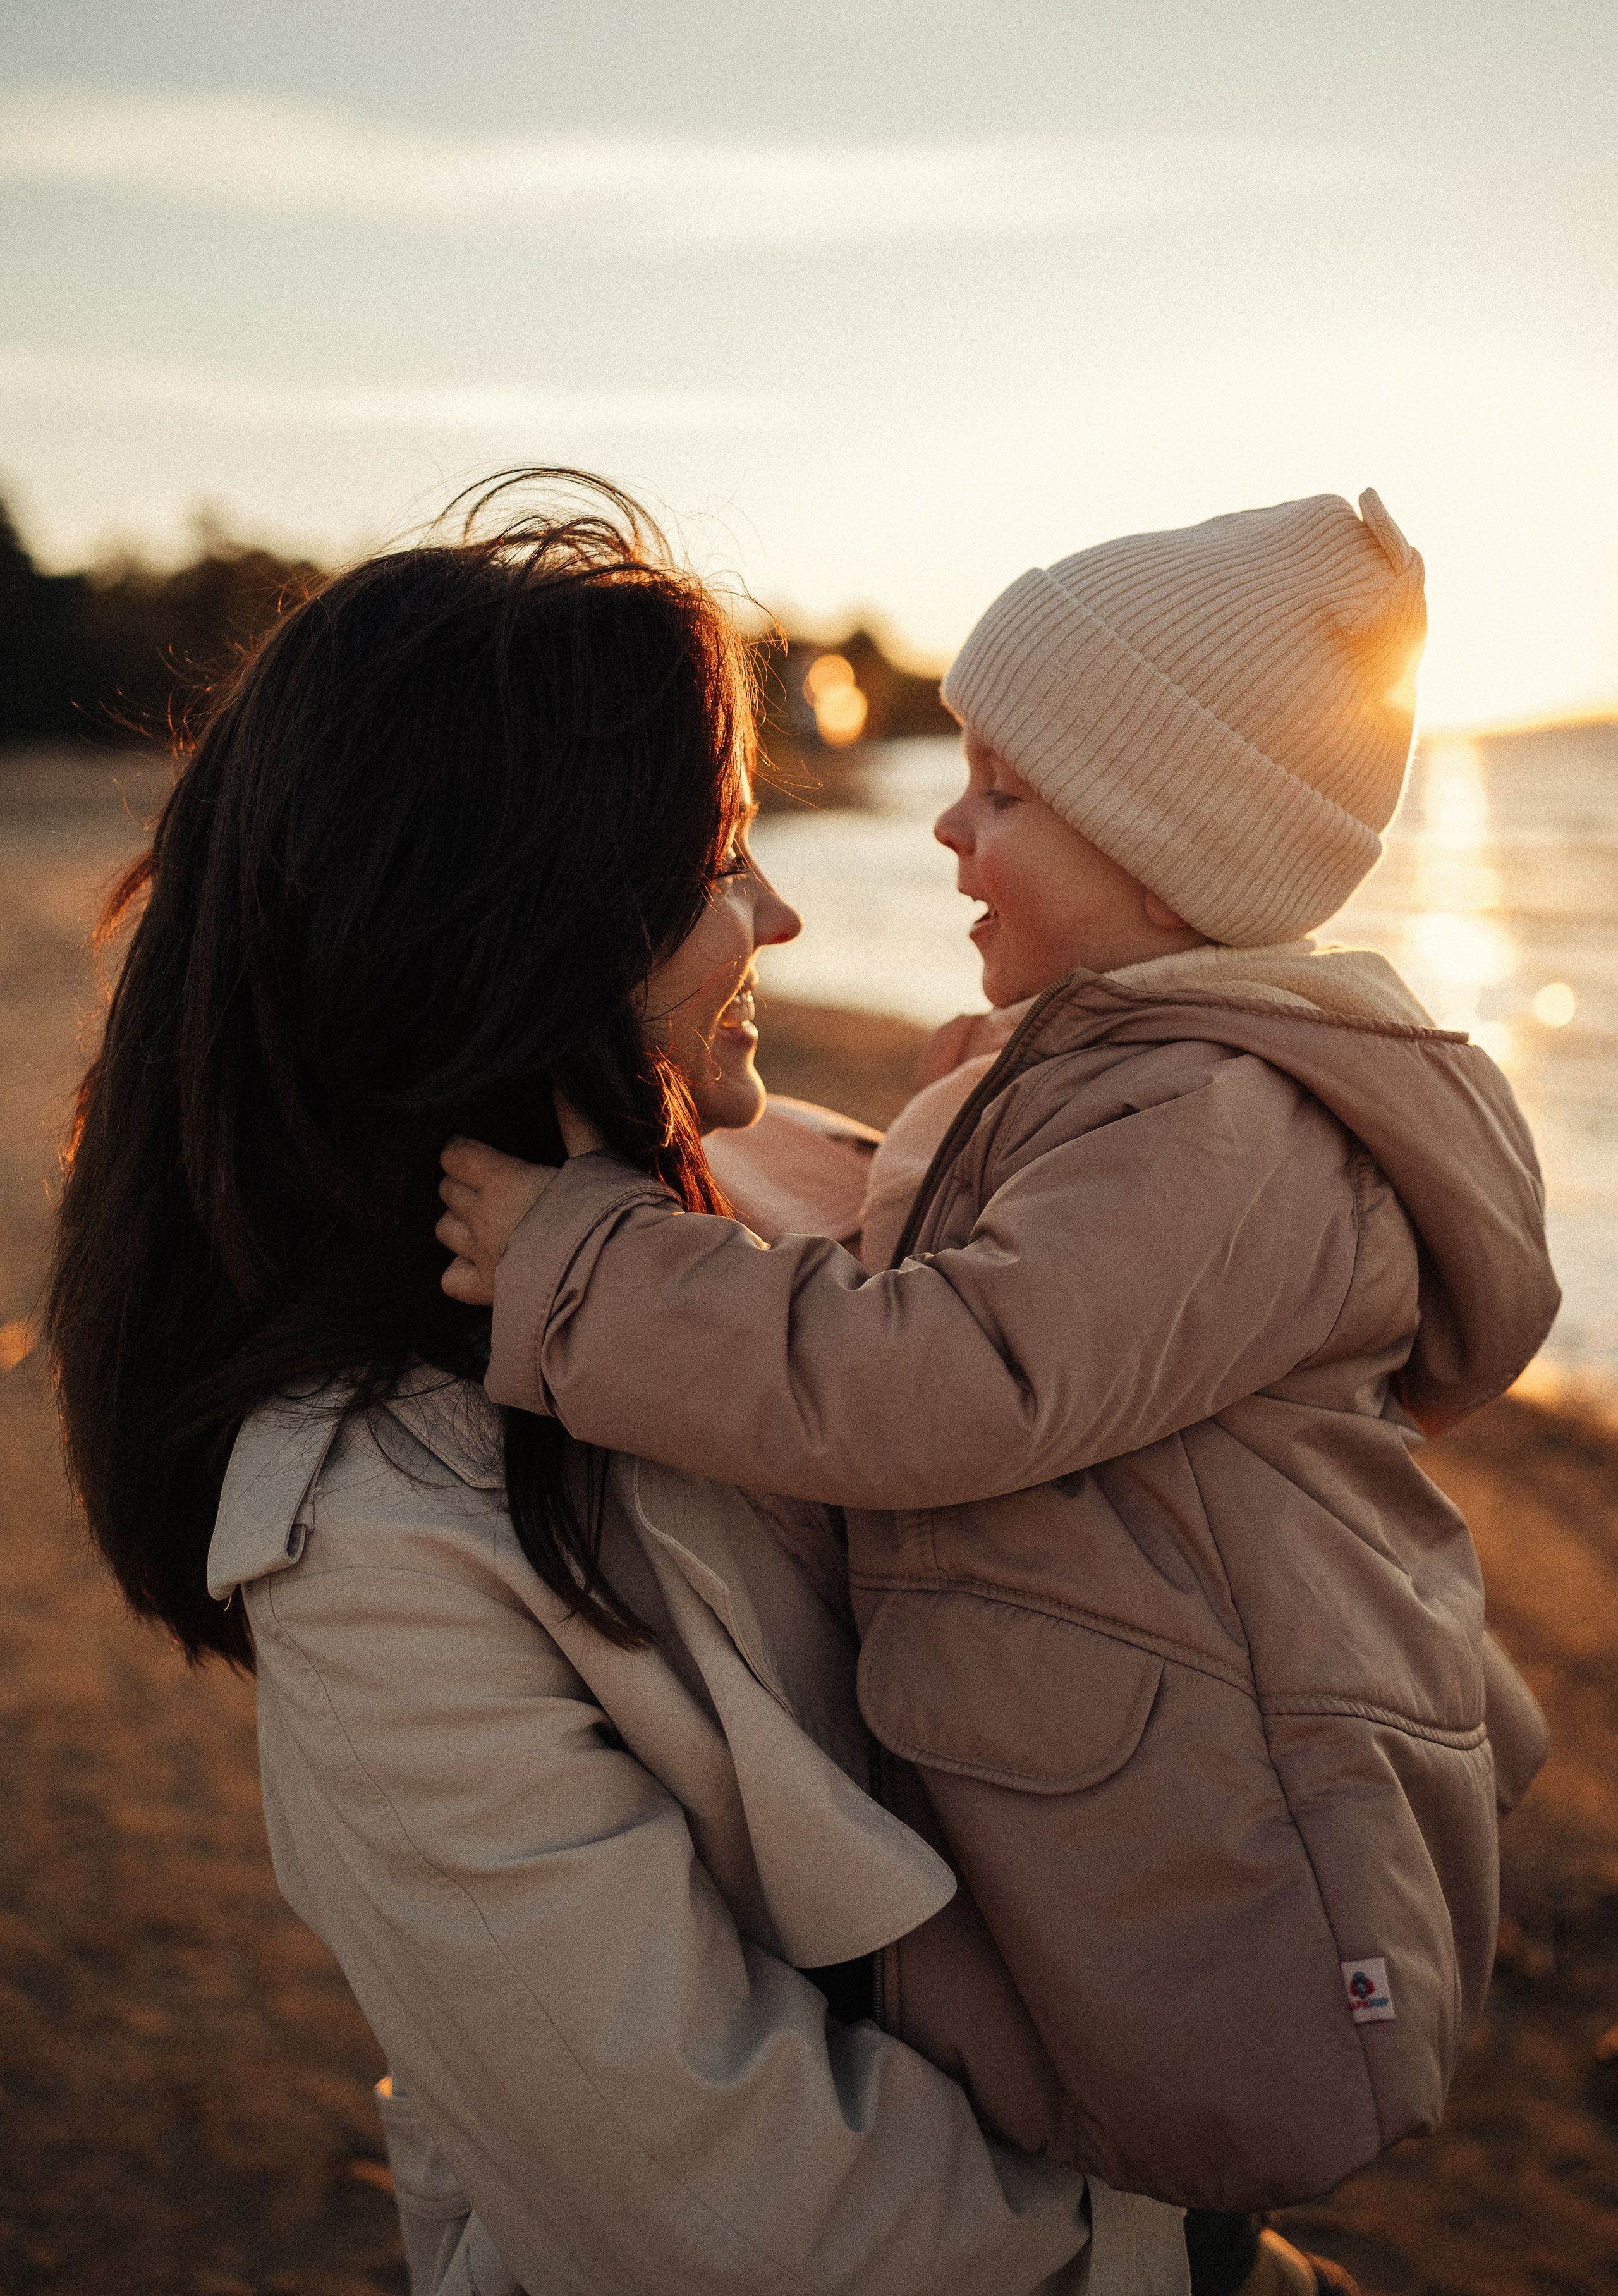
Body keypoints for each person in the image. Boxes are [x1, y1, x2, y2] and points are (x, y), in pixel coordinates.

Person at [46, 475, 1192, 2296]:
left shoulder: (803, 1190)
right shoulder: (371, 1539)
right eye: (718, 861)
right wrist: (1195, 2269)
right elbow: (736, 2211)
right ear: (512, 926)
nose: (786, 920)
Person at [436, 492, 1557, 2255]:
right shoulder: (1125, 1083)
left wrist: (587, 1267)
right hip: (1111, 1776)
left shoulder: (1218, 1120)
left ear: (1168, 846)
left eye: (1008, 795)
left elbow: (944, 1377)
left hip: (1235, 1862)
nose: (949, 830)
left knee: (1168, 2117)